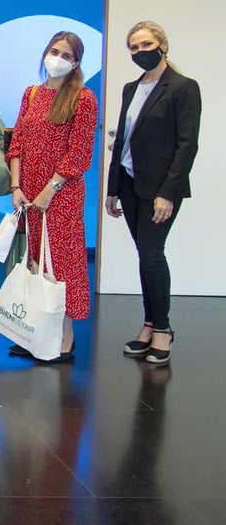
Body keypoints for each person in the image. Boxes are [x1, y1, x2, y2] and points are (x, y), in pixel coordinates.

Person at [106, 21, 200, 365]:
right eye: (133, 47)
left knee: (152, 253)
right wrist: (112, 188)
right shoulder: (131, 88)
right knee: (144, 254)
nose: (139, 52)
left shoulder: (182, 87)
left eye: (146, 44)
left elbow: (187, 144)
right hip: (130, 184)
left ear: (163, 44)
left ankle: (163, 329)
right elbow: (122, 142)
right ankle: (148, 324)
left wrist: (168, 193)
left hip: (160, 189)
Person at [7, 32, 98, 362]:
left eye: (66, 54)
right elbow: (16, 143)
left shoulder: (83, 98)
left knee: (63, 263)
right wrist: (17, 188)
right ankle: (37, 331)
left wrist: (51, 189)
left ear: (76, 62)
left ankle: (65, 337)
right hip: (29, 194)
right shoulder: (30, 94)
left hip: (62, 195)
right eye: (54, 51)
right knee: (37, 261)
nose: (57, 58)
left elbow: (79, 153)